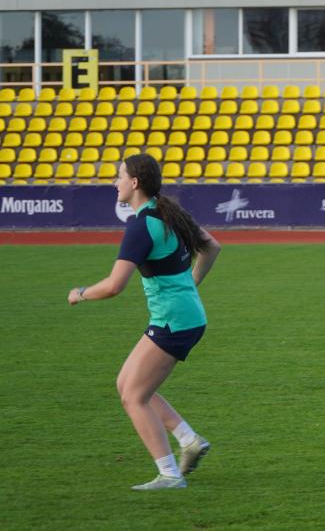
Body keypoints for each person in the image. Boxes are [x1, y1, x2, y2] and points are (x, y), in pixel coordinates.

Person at [68, 154, 221, 490]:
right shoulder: (168, 213)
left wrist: (80, 293)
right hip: (182, 316)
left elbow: (114, 285)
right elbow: (212, 247)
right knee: (127, 384)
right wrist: (191, 284)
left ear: (135, 182)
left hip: (174, 321)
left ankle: (170, 475)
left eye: (120, 176)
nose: (116, 182)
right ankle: (189, 440)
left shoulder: (141, 226)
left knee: (134, 396)